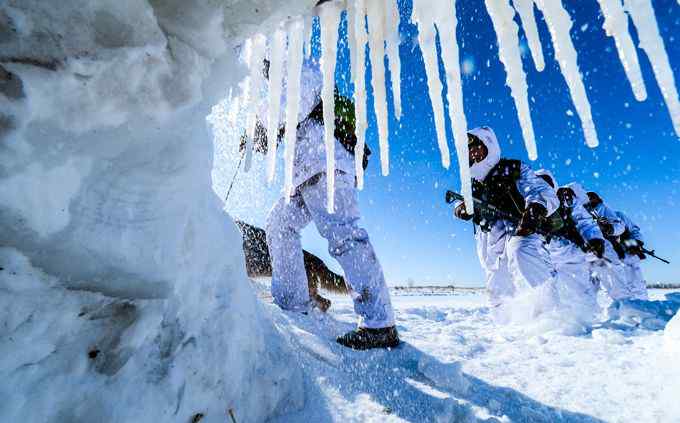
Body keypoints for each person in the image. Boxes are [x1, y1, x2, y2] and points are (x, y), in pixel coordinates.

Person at [254, 58, 398, 350]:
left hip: (327, 162)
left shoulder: (301, 68)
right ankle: (294, 303)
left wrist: (258, 125)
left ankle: (379, 323)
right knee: (279, 222)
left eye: (267, 64)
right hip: (304, 172)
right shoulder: (281, 89)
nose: (265, 71)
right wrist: (261, 137)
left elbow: (293, 103)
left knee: (343, 235)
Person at [453, 126, 559, 313]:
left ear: (489, 145)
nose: (472, 153)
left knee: (521, 252)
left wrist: (536, 208)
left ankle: (554, 315)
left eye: (476, 147)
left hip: (521, 230)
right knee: (498, 291)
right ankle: (510, 332)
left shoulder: (513, 169)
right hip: (489, 242)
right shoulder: (470, 182)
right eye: (468, 150)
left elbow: (540, 190)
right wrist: (461, 209)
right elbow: (462, 201)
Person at [535, 170, 605, 322]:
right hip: (540, 257)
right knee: (542, 299)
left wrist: (595, 239)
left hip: (570, 254)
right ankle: (546, 331)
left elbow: (584, 221)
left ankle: (585, 327)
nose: (542, 186)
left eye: (546, 182)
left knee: (580, 298)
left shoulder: (565, 199)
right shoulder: (527, 203)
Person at [614, 209, 649, 300]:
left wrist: (635, 243)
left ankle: (642, 309)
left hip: (628, 256)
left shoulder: (617, 215)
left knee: (637, 290)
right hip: (606, 261)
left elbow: (634, 230)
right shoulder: (584, 217)